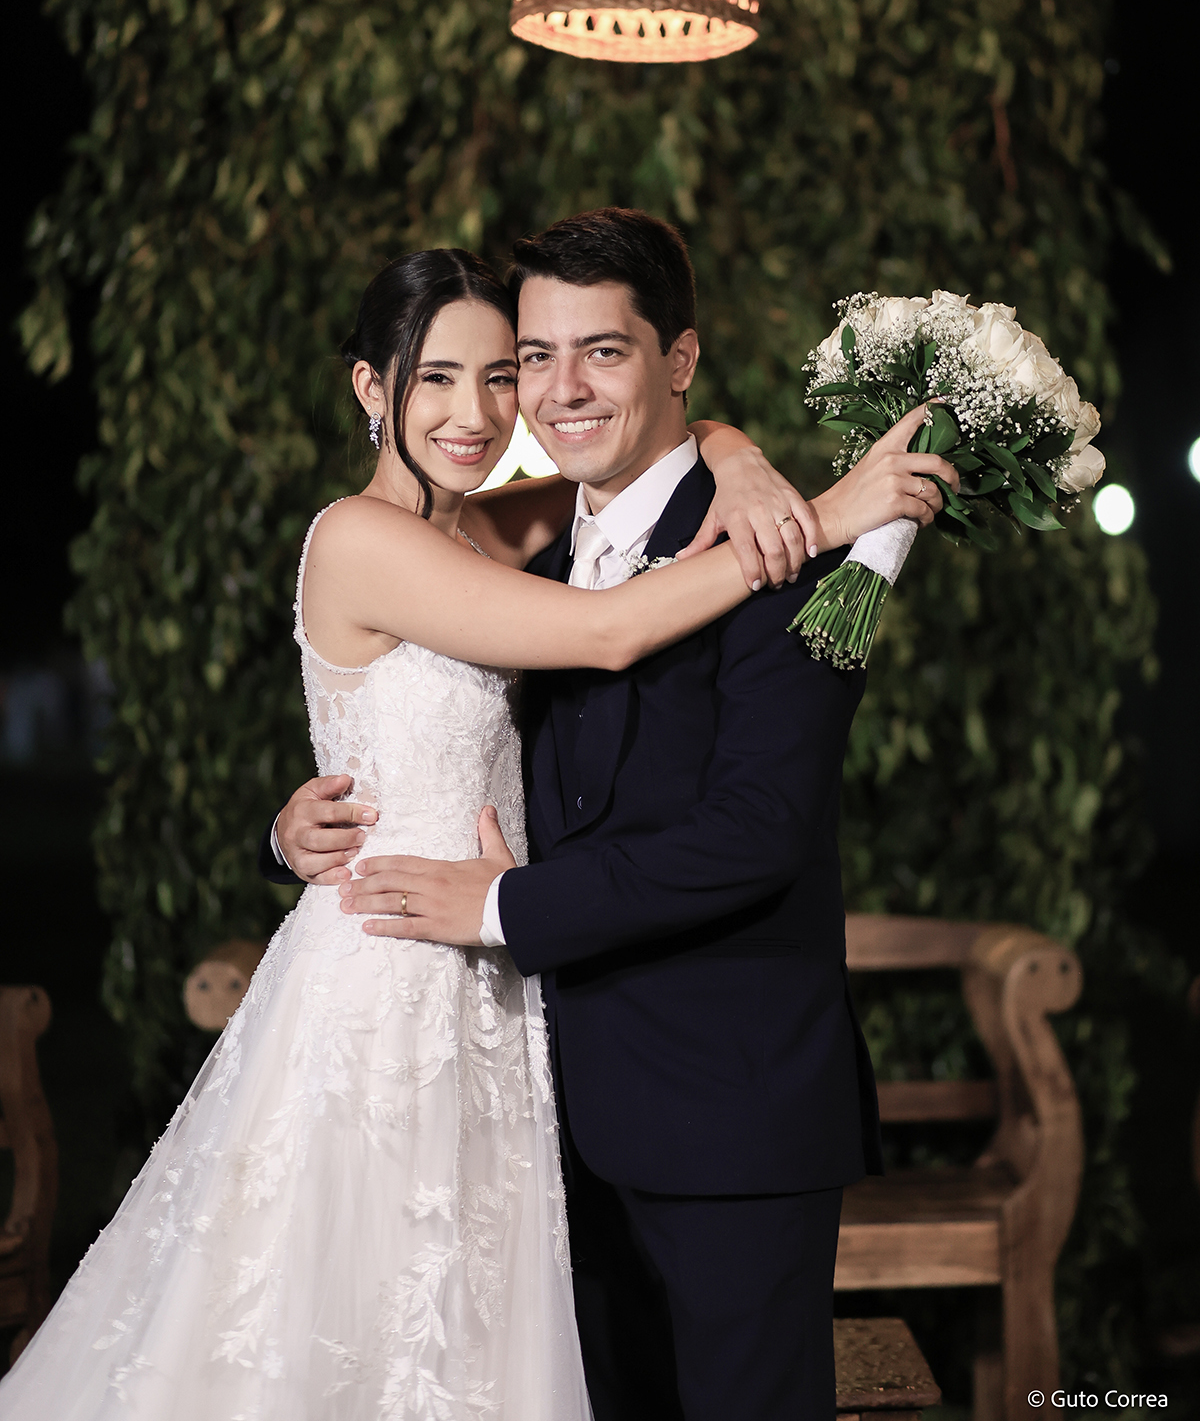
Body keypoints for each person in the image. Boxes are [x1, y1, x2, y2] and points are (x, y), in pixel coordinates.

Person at [0, 245, 839, 1421]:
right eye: (436, 378)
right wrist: (828, 516)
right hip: (388, 987)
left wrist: (733, 451)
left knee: (468, 1331)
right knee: (354, 1324)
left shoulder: (495, 534)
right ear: (370, 386)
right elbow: (609, 633)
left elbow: (645, 456)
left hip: (497, 982)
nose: (476, 413)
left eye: (499, 376)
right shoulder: (358, 535)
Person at [272, 211, 959, 1421]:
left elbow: (756, 833)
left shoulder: (770, 563)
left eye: (595, 352)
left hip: (726, 1115)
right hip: (531, 1103)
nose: (549, 392)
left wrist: (744, 465)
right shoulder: (525, 567)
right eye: (533, 358)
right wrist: (290, 832)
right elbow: (573, 649)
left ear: (678, 360)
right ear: (373, 388)